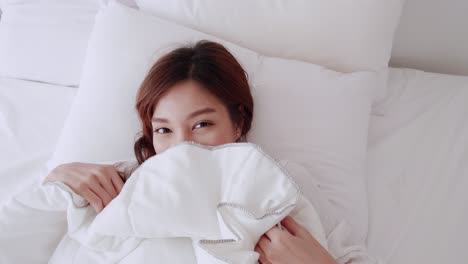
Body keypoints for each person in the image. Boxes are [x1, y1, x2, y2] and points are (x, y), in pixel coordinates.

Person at [45, 40, 338, 264]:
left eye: (202, 124)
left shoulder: (284, 183)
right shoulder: (119, 183)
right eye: (164, 130)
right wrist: (56, 179)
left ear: (238, 123)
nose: (183, 146)